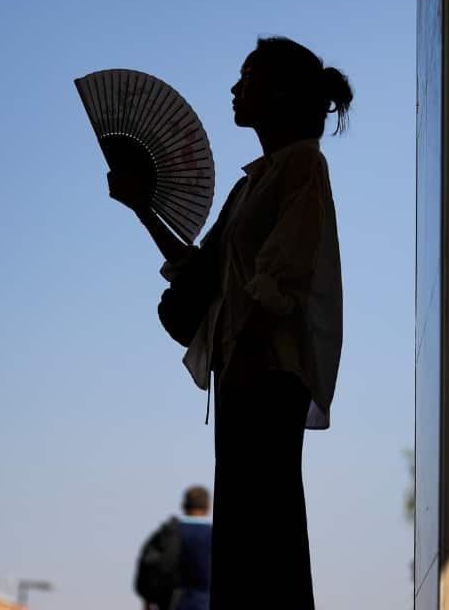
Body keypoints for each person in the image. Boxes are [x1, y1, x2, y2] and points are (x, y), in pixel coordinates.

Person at [110, 37, 349, 609]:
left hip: (263, 375)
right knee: (248, 533)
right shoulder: (253, 183)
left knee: (265, 531)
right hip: (244, 375)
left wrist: (241, 352)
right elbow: (203, 272)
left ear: (281, 92)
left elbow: (280, 281)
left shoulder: (302, 166)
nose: (236, 89)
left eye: (248, 77)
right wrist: (144, 206)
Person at [136, 485, 213, 610]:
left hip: (175, 603)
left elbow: (148, 570)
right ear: (208, 507)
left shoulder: (167, 534)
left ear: (183, 506)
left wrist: (149, 602)